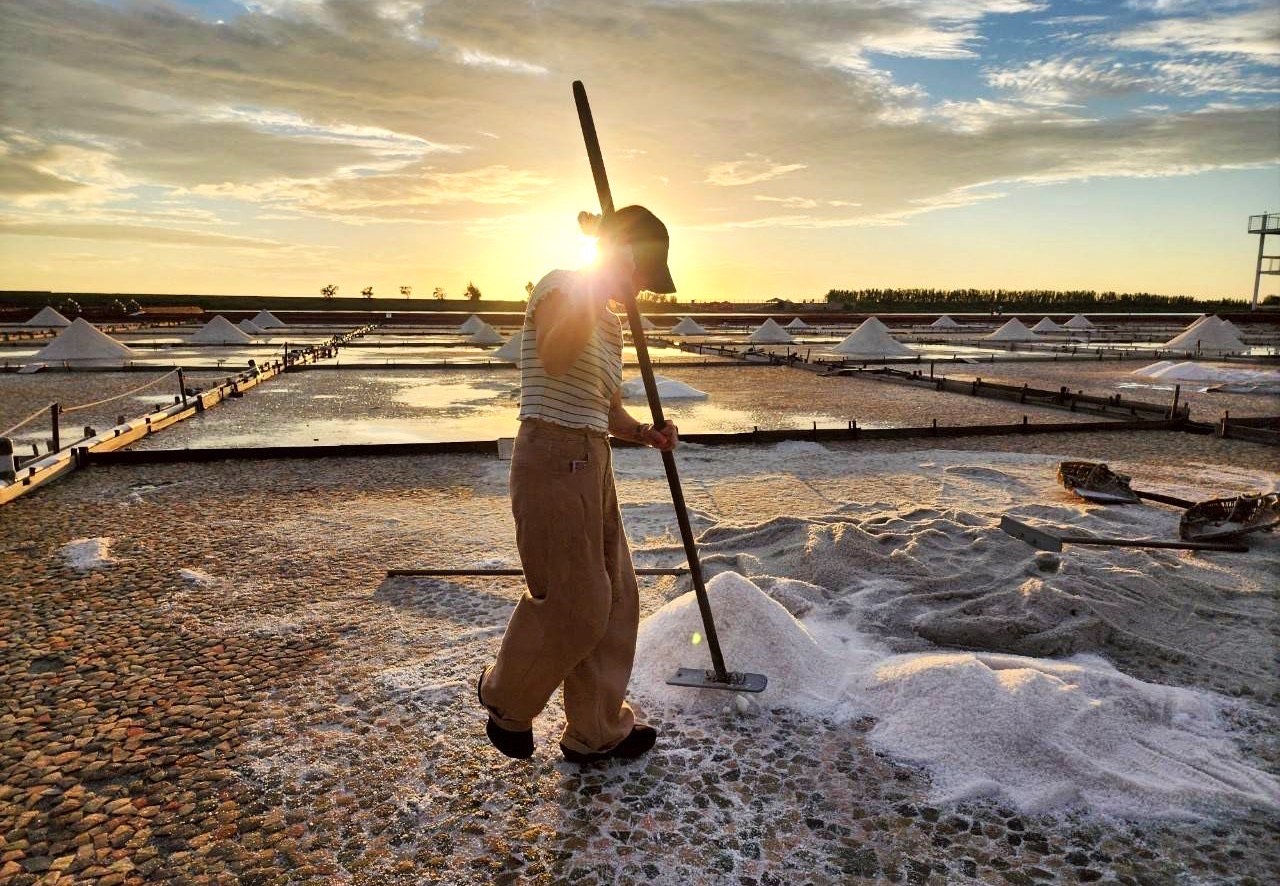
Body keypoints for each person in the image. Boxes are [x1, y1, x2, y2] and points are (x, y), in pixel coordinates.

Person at [478, 205, 679, 764]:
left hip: (593, 458)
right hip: (550, 453)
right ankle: (506, 701)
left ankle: (595, 730)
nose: (642, 290)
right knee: (578, 602)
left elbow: (603, 406)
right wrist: (599, 281)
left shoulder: (609, 322)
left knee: (616, 602)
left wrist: (645, 433)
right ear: (628, 256)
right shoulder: (563, 288)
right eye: (642, 274)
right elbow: (555, 356)